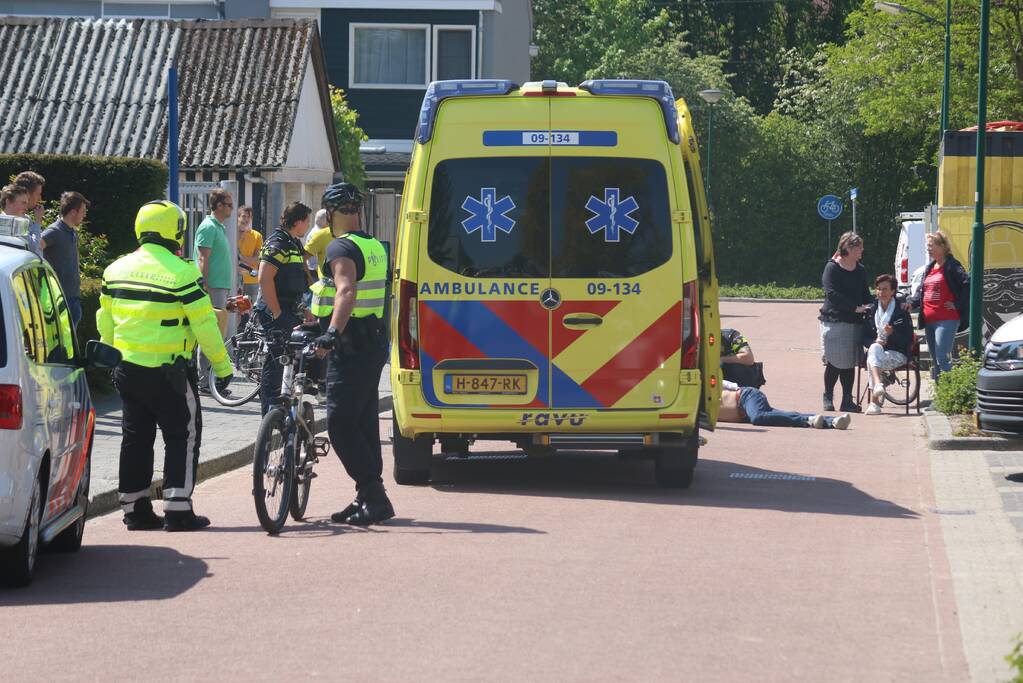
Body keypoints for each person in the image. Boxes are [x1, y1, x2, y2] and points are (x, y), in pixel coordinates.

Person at [98, 201, 233, 532]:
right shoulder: (183, 273)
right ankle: (177, 509)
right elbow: (205, 326)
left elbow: (106, 322)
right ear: (176, 232)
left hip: (127, 371)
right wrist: (222, 366)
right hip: (170, 373)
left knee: (135, 437)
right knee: (182, 436)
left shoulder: (114, 270)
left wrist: (111, 360)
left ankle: (135, 509)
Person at [311, 183, 392, 526]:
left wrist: (331, 333)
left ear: (330, 215)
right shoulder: (373, 245)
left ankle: (374, 495)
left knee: (340, 423)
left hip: (351, 343)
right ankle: (366, 496)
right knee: (363, 419)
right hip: (373, 341)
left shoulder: (340, 246)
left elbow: (346, 291)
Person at [255, 202, 313, 416]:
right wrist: (277, 313)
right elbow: (264, 278)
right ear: (297, 221)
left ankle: (283, 405)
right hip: (274, 310)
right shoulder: (278, 243)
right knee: (278, 358)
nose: (307, 225)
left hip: (290, 308)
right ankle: (270, 412)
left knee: (290, 356)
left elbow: (297, 282)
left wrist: (305, 309)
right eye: (306, 220)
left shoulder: (294, 244)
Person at [819, 232, 872, 413]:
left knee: (849, 362)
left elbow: (865, 293)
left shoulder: (860, 269)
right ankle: (828, 395)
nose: (862, 250)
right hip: (835, 321)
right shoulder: (832, 268)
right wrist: (853, 307)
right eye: (859, 247)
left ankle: (847, 399)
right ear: (849, 248)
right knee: (835, 362)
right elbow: (831, 294)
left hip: (854, 322)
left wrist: (871, 306)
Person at [909, 230, 970, 380]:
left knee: (942, 357)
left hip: (946, 319)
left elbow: (967, 284)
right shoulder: (930, 267)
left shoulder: (952, 265)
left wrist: (957, 304)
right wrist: (910, 303)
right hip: (929, 320)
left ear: (942, 246)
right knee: (935, 360)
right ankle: (940, 398)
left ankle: (950, 396)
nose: (928, 249)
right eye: (927, 246)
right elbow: (921, 291)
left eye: (931, 246)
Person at [193, 189, 234, 392]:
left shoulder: (219, 227)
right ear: (218, 205)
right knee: (210, 333)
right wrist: (205, 287)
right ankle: (204, 381)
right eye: (229, 204)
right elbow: (203, 259)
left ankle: (210, 380)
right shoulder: (208, 227)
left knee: (216, 333)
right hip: (212, 287)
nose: (232, 208)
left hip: (219, 287)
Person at [861, 274, 914, 415]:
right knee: (873, 349)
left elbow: (907, 339)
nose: (881, 293)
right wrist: (875, 342)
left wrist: (892, 335)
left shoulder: (901, 310)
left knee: (872, 360)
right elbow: (864, 336)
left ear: (893, 291)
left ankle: (875, 401)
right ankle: (878, 385)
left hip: (898, 353)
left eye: (885, 289)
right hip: (878, 352)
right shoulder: (872, 310)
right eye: (878, 289)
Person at [718, 380, 851, 429]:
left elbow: (733, 386)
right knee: (780, 415)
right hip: (746, 414)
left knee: (758, 417)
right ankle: (832, 421)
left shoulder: (706, 381)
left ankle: (808, 420)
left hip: (746, 397)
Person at [42, 192, 89, 326]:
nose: (84, 215)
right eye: (83, 211)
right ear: (73, 212)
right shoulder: (54, 231)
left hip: (73, 298)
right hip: (60, 300)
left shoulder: (72, 231)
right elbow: (36, 248)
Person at [236, 204, 263, 328]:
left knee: (252, 310)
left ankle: (252, 335)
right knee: (238, 310)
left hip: (251, 280)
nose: (246, 220)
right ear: (238, 217)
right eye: (244, 216)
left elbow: (257, 259)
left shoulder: (256, 236)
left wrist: (241, 258)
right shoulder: (232, 234)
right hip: (236, 280)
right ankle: (235, 335)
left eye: (249, 217)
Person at [13, 171, 46, 255]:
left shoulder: (27, 218)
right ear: (27, 194)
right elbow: (33, 248)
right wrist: (38, 222)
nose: (40, 199)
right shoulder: (16, 220)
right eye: (38, 194)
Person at [304, 208, 331, 279]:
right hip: (316, 273)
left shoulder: (314, 232)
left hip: (315, 272)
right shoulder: (319, 234)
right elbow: (308, 258)